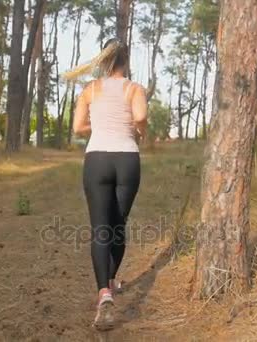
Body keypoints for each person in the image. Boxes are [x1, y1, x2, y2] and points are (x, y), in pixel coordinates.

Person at [63, 38, 148, 331]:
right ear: (126, 61)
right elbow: (140, 116)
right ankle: (110, 283)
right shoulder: (134, 89)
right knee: (117, 226)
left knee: (100, 229)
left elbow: (77, 128)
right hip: (127, 160)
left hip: (97, 159)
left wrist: (98, 126)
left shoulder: (90, 89)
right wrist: (140, 130)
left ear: (105, 60)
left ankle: (104, 294)